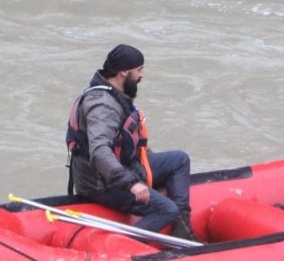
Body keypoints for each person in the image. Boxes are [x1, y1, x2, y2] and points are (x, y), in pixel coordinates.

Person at [65, 44, 197, 241]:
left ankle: (182, 229)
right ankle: (123, 246)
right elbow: (100, 152)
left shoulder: (114, 94)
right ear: (124, 72)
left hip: (124, 166)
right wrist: (132, 183)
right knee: (166, 210)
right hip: (101, 183)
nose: (142, 75)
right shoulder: (103, 106)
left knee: (179, 160)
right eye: (139, 70)